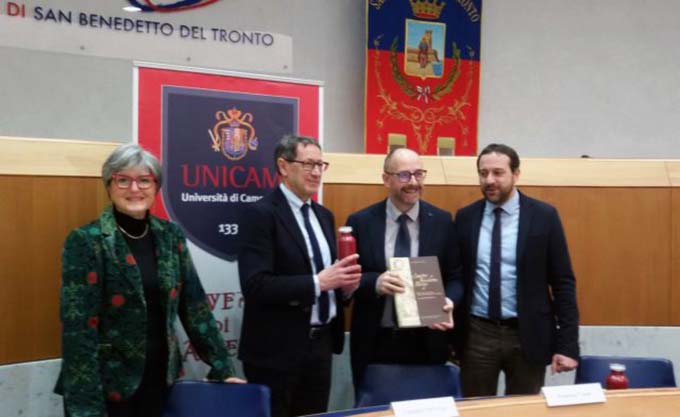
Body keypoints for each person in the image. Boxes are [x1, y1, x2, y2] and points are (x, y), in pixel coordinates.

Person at [55, 143, 244, 417]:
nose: (134, 189)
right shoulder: (86, 241)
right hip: (106, 387)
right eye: (123, 180)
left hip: (161, 380)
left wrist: (223, 368)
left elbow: (195, 307)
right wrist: (86, 407)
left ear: (156, 186)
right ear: (109, 185)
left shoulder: (170, 236)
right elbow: (77, 329)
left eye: (144, 180)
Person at [237, 135, 361, 417]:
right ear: (283, 166)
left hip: (321, 346)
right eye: (308, 164)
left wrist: (346, 287)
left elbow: (330, 279)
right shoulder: (260, 214)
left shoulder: (324, 215)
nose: (316, 172)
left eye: (321, 165)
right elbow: (255, 285)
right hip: (276, 351)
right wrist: (320, 282)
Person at [454, 143, 579, 396]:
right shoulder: (466, 217)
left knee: (522, 409)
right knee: (476, 410)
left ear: (516, 174)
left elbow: (563, 283)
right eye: (483, 173)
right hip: (477, 334)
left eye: (498, 173)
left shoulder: (544, 216)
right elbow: (456, 275)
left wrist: (567, 345)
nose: (490, 180)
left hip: (527, 334)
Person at [346, 147, 463, 391]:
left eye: (419, 174)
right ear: (386, 179)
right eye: (404, 175)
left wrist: (449, 300)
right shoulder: (361, 222)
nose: (413, 182)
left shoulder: (442, 221)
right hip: (375, 340)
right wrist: (375, 282)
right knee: (375, 407)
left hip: (428, 342)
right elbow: (346, 280)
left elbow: (456, 277)